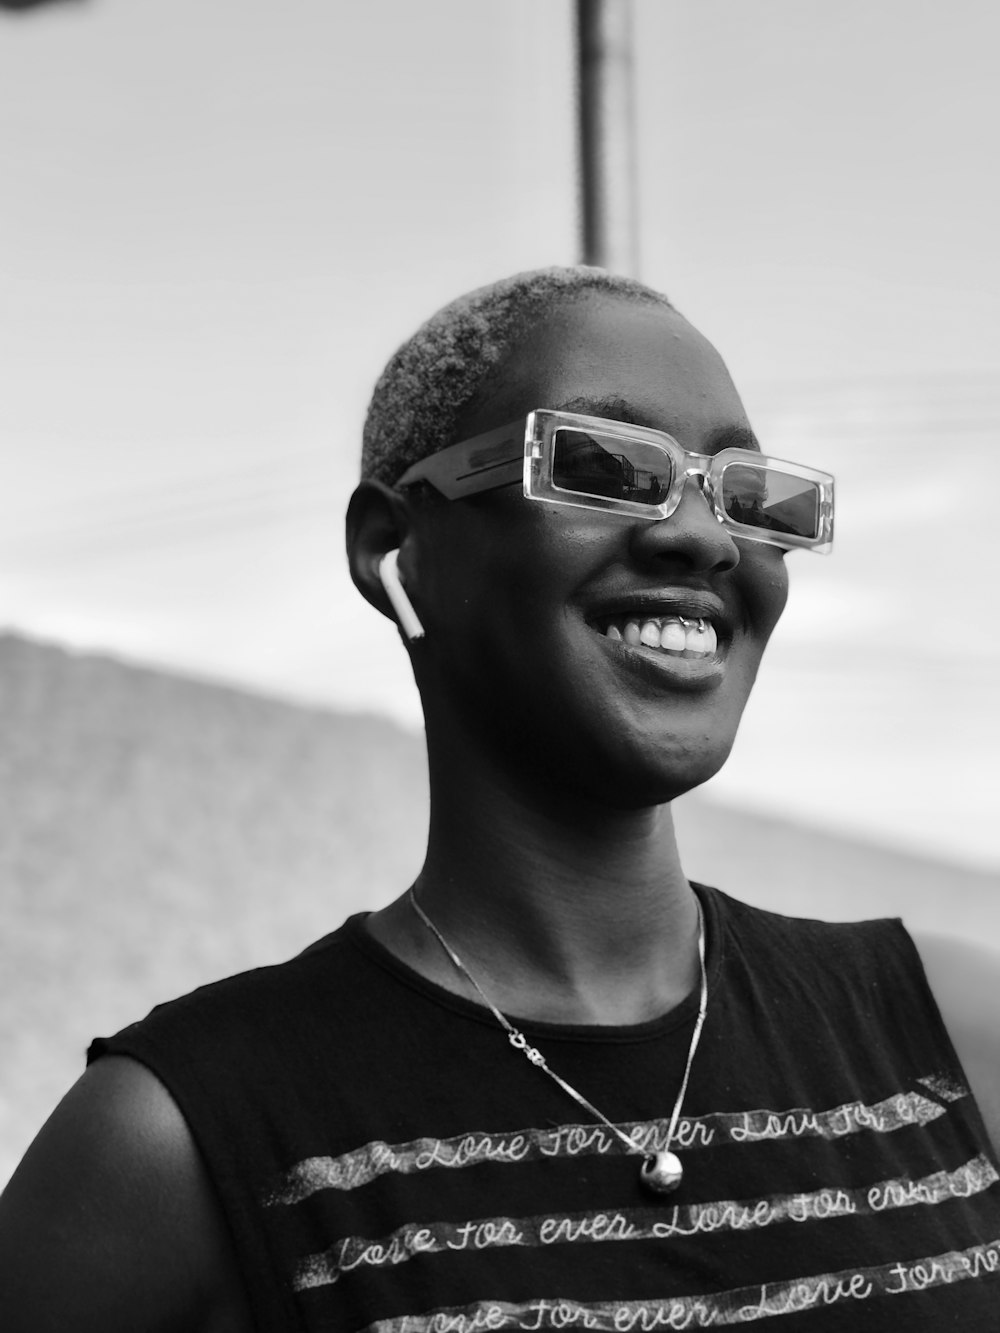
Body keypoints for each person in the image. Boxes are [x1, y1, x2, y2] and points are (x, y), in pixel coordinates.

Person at [1, 267, 998, 1331]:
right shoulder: (182, 1144)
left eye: (748, 495)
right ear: (394, 549)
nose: (706, 535)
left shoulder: (954, 1035)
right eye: (604, 465)